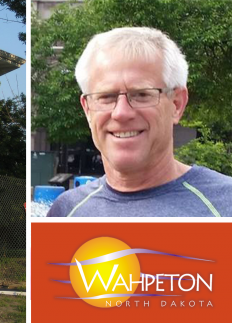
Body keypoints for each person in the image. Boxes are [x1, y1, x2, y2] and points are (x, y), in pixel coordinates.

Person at [47, 27, 232, 217]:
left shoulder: (225, 206)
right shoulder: (66, 213)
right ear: (87, 109)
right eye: (107, 97)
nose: (121, 113)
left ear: (177, 104)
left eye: (141, 95)